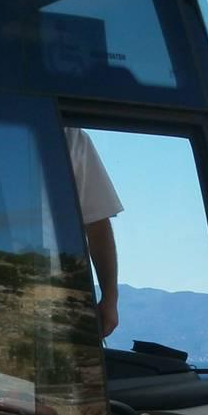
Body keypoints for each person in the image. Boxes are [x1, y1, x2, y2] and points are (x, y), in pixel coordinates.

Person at [63, 127, 121, 338]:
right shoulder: (68, 137)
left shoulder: (70, 137)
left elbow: (97, 225)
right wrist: (109, 300)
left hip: (60, 290)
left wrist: (110, 298)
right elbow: (97, 225)